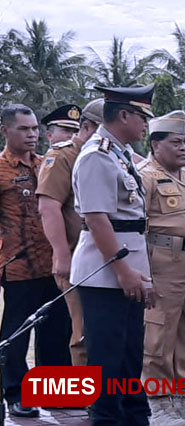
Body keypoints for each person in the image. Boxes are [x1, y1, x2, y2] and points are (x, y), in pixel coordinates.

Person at [71, 84, 156, 425]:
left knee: (129, 355)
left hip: (125, 266)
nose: (145, 126)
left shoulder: (118, 154)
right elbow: (96, 218)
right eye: (142, 118)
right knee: (107, 357)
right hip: (106, 271)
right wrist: (122, 270)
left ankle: (134, 416)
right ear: (123, 116)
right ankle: (106, 418)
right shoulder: (96, 156)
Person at [138, 111, 185, 426]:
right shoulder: (146, 176)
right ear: (156, 144)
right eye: (176, 142)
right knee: (159, 334)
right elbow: (137, 229)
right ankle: (160, 406)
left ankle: (182, 401)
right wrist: (143, 273)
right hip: (164, 263)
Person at [0, 104, 72, 418]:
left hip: (54, 264)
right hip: (18, 266)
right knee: (16, 333)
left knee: (57, 330)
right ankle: (15, 393)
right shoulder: (1, 169)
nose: (31, 135)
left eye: (33, 129)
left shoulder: (46, 165)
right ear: (5, 130)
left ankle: (54, 395)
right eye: (23, 129)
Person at [38, 99, 104, 369]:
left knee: (104, 331)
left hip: (105, 256)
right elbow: (49, 206)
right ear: (87, 128)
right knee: (84, 332)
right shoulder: (63, 156)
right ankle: (91, 400)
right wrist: (61, 255)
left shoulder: (107, 155)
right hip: (77, 257)